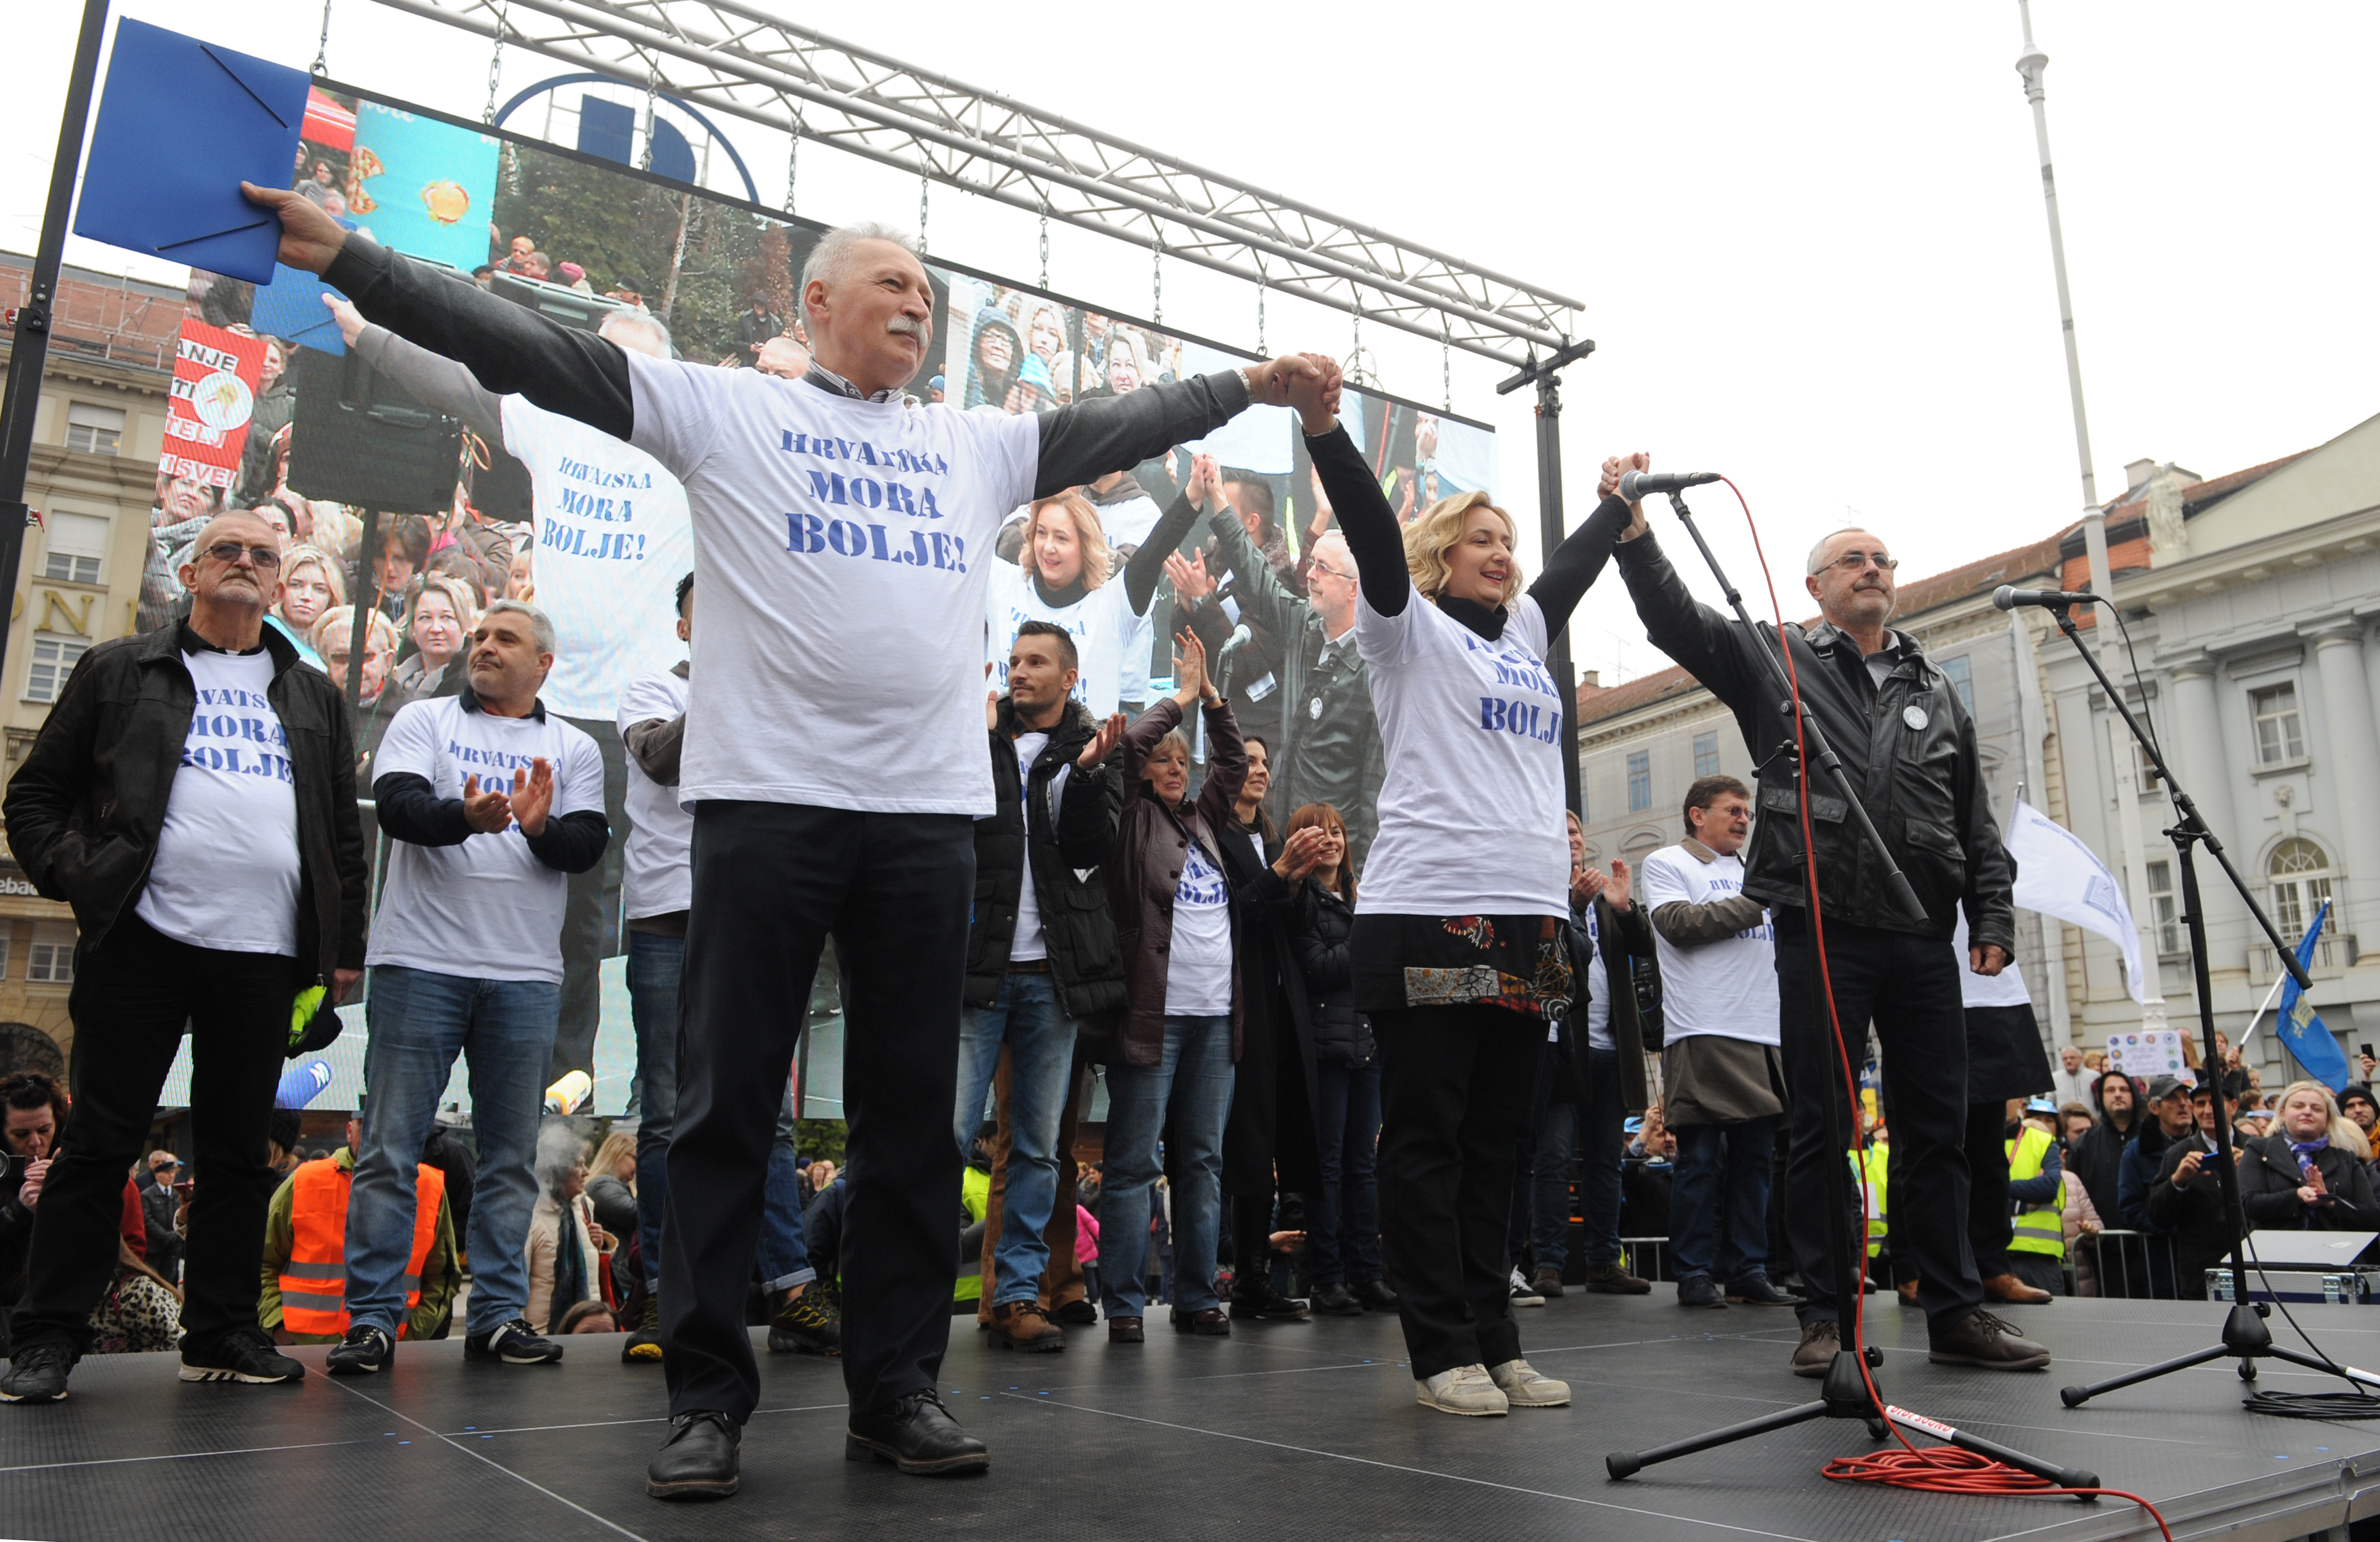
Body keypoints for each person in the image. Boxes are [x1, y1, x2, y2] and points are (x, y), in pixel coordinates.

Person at [248, 185, 1326, 1496]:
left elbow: (1117, 419)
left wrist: (1240, 385)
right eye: (895, 285)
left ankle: (898, 1387)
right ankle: (708, 1396)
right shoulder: (727, 408)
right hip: (765, 811)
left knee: (908, 1125)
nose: (921, 305)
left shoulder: (971, 445)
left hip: (931, 823)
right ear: (816, 305)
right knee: (723, 1109)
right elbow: (532, 354)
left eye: (929, 291)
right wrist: (356, 259)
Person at [1607, 474, 2045, 1378]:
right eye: (1854, 558)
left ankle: (1957, 1309)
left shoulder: (1935, 690)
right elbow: (1678, 623)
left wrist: (1990, 914)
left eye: (1883, 558)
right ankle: (1825, 1315)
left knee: (1938, 1128)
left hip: (1924, 934)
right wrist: (1636, 535)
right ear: (1815, 587)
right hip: (1824, 922)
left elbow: (1976, 823)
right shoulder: (1776, 662)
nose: (1873, 569)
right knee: (1822, 1127)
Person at [1293, 359, 1633, 1419]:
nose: (1502, 555)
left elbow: (1574, 568)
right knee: (1430, 1136)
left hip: (1530, 922)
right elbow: (1367, 532)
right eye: (1481, 540)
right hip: (1430, 912)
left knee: (1501, 1141)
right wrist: (1324, 432)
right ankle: (1437, 1345)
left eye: (1508, 544)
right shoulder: (1405, 630)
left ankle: (1496, 1336)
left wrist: (1615, 506)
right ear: (1441, 555)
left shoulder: (1526, 639)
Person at [0, 508, 366, 1402]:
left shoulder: (312, 692)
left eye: (262, 554)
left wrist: (339, 954)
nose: (244, 562)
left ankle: (222, 1334)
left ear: (281, 584)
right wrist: (82, 877)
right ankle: (47, 1337)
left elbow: (340, 838)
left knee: (240, 1153)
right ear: (194, 573)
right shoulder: (120, 670)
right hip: (143, 939)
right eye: (226, 550)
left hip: (265, 955)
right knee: (98, 1142)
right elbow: (35, 794)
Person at [334, 293, 695, 1087]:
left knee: (659, 906)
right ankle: (563, 1074)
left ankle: (649, 1085)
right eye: (600, 354)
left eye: (631, 362)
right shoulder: (549, 418)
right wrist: (369, 332)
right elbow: (456, 382)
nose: (610, 373)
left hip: (647, 717)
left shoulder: (686, 442)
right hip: (552, 710)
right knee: (561, 900)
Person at [325, 599, 607, 1378]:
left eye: (503, 639)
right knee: (389, 1148)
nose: (484, 647)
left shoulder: (573, 746)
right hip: (420, 964)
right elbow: (401, 809)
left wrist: (540, 826)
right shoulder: (422, 721)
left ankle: (496, 1318)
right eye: (480, 637)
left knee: (512, 1155)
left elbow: (586, 849)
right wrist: (469, 816)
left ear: (543, 662)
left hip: (523, 977)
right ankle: (374, 1320)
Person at [612, 576, 838, 1368]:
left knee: (770, 1117)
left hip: (760, 920)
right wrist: (739, 677)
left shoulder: (781, 692)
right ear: (683, 625)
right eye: (712, 611)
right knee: (671, 1115)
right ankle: (662, 1296)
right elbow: (664, 758)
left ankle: (792, 1287)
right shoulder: (653, 686)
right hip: (672, 919)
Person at [958, 620, 1127, 1352]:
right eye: (1015, 661)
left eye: (1037, 662)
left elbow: (1093, 849)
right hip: (978, 975)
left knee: (1037, 1149)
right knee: (945, 1136)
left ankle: (1021, 1294)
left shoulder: (1090, 754)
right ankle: (901, 1288)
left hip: (1052, 982)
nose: (1020, 672)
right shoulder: (978, 740)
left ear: (1069, 677)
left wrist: (1088, 775)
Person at [1098, 633, 1255, 1342]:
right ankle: (1126, 1305)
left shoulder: (1205, 819)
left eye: (1180, 762)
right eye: (1165, 760)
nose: (1172, 767)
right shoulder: (1132, 816)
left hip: (1217, 1019)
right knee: (1134, 1163)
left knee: (1203, 1160)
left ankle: (1196, 1297)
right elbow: (1129, 746)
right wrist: (1180, 701)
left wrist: (1215, 699)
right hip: (1152, 1017)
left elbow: (1230, 760)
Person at [1641, 776, 1798, 1311]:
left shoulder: (1755, 873)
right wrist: (1758, 899)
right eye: (1732, 810)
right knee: (1700, 1160)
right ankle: (1694, 1272)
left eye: (1746, 813)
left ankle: (1748, 1267)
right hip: (1703, 1028)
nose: (1743, 820)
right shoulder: (1668, 863)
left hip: (1763, 1030)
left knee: (1755, 1161)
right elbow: (1679, 924)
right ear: (1696, 815)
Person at [1183, 468, 1384, 866]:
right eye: (1313, 564)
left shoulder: (1373, 671)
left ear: (1353, 588)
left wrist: (1358, 875)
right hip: (1283, 846)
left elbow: (1373, 790)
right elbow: (1255, 574)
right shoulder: (1303, 626)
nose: (1309, 573)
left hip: (1332, 863)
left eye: (1323, 568)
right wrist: (1220, 500)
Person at [1891, 917, 2058, 1310]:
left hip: (1987, 992)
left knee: (1988, 1149)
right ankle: (1914, 1268)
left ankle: (1992, 1266)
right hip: (1916, 983)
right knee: (1917, 1147)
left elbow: (2002, 873)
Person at [1286, 803, 1396, 1317]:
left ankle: (1367, 1274)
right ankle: (1326, 1277)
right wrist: (1366, 936)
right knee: (1327, 1168)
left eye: (1337, 831)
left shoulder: (1362, 896)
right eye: (1318, 832)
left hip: (1367, 1044)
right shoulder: (1303, 900)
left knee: (1362, 1168)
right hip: (1326, 1049)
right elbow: (1317, 967)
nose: (1330, 839)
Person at [1542, 812, 1658, 1298]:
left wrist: (1626, 908)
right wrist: (1572, 904)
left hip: (1610, 1046)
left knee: (1606, 1160)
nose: (1572, 841)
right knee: (1553, 1155)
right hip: (1563, 1046)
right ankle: (1547, 1261)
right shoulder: (1542, 892)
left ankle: (1604, 1260)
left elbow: (1645, 947)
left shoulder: (1608, 896)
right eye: (1562, 834)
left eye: (1576, 834)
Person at [259, 1108, 458, 1344]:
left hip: (391, 1351)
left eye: (385, 1125)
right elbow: (261, 1261)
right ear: (349, 1132)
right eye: (366, 1126)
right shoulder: (305, 1181)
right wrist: (278, 1327)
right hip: (305, 1349)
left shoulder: (429, 1187)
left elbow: (442, 1277)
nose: (376, 1134)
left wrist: (413, 1337)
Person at [986, 489, 1185, 716]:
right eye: (1041, 533)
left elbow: (1156, 549)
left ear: (1085, 546)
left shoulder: (1113, 603)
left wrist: (1192, 498)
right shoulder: (1001, 581)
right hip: (1004, 746)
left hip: (1084, 749)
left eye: (1061, 538)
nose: (1048, 547)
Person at [2145, 1079, 2246, 1297]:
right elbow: (2158, 1215)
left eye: (2215, 1103)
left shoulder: (2254, 1148)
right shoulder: (2179, 1154)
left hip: (2250, 1266)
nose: (2208, 1111)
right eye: (2200, 1104)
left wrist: (2248, 1170)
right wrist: (2178, 1181)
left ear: (2234, 1107)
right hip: (2201, 1274)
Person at [2238, 1081, 2379, 1234]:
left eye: (2317, 1109)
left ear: (2327, 1119)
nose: (2307, 1112)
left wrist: (2331, 1202)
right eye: (2298, 1106)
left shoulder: (2345, 1158)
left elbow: (2372, 1216)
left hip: (2337, 1251)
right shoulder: (2258, 1149)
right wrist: (2297, 1196)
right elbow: (2249, 1205)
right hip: (2278, 1252)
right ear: (2283, 1114)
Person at [0, 1074, 68, 1352]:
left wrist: (62, 1190)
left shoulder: (72, 1164)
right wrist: (19, 1209)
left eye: (45, 1130)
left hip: (55, 1309)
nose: (36, 1143)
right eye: (21, 1134)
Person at [525, 1122, 610, 1335]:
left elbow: (590, 1277)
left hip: (587, 1333)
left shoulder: (584, 1206)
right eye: (579, 1165)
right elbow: (517, 1283)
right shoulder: (532, 1215)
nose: (586, 1172)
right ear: (559, 1170)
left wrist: (600, 1245)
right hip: (542, 1334)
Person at [2000, 1098, 2070, 1297]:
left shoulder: (2043, 1142)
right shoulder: (1973, 1143)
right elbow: (1971, 1194)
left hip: (2040, 1258)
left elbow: (2048, 1188)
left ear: (2020, 1102)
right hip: (1991, 1256)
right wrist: (2022, 1204)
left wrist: (1996, 1191)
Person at [2070, 1068, 2142, 1235]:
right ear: (2101, 1098)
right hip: (2104, 1245)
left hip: (2150, 1243)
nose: (2117, 1095)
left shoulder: (2153, 1135)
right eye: (2110, 1090)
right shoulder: (2085, 1143)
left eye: (2124, 1089)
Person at [391, 573, 478, 700]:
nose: (436, 628)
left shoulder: (474, 681)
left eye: (447, 617)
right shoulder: (395, 680)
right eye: (425, 618)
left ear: (463, 624)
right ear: (412, 627)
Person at [137, 1153, 185, 1288]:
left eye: (173, 1172)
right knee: (152, 1285)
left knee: (170, 1286)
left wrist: (176, 1236)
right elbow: (147, 1219)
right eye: (167, 1173)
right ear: (158, 1175)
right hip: (155, 1249)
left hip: (173, 1250)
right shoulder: (147, 1195)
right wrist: (165, 1236)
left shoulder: (179, 1195)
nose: (171, 1176)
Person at [2050, 1045, 2092, 1110]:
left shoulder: (2093, 1076)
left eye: (2072, 1058)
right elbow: (2049, 1102)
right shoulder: (2055, 1078)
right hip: (2064, 1118)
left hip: (2090, 1118)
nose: (2069, 1061)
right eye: (2065, 1059)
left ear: (2081, 1059)